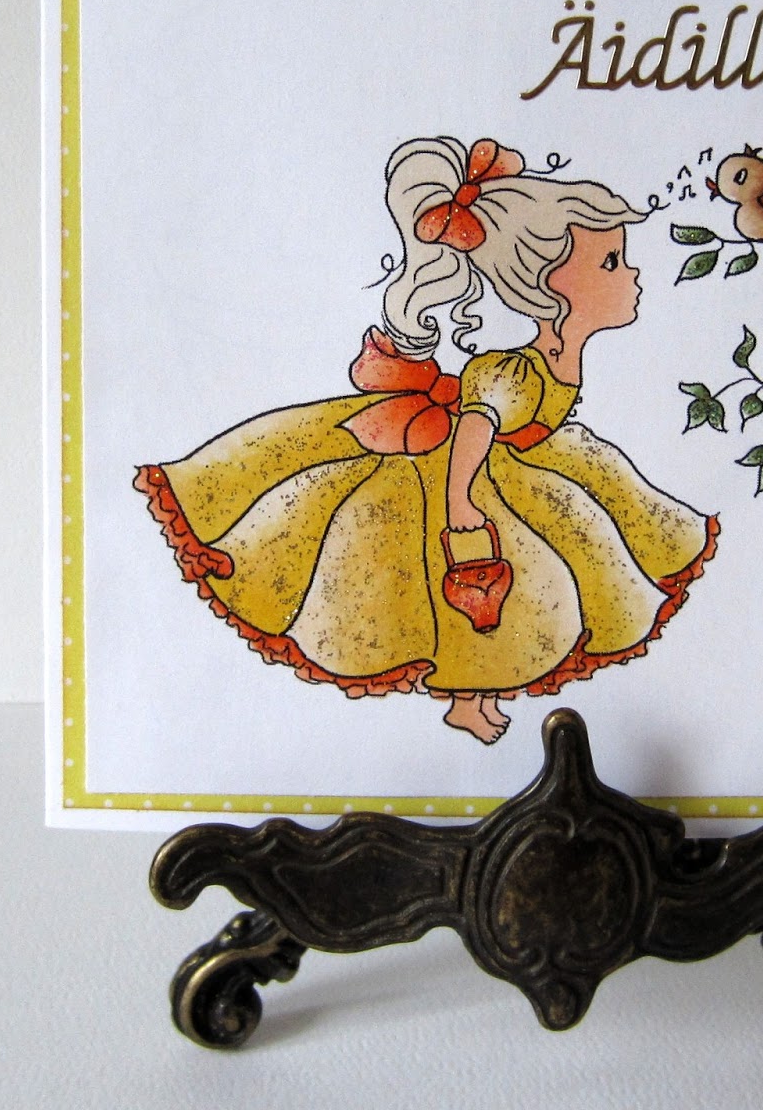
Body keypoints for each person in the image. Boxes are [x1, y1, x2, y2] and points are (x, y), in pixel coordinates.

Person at [136, 136, 717, 743]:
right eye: (611, 263)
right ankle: (466, 700)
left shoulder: (554, 354)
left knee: (513, 585)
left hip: (516, 463)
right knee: (470, 585)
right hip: (457, 480)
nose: (632, 273)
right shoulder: (512, 372)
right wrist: (460, 505)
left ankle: (471, 696)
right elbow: (475, 431)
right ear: (547, 288)